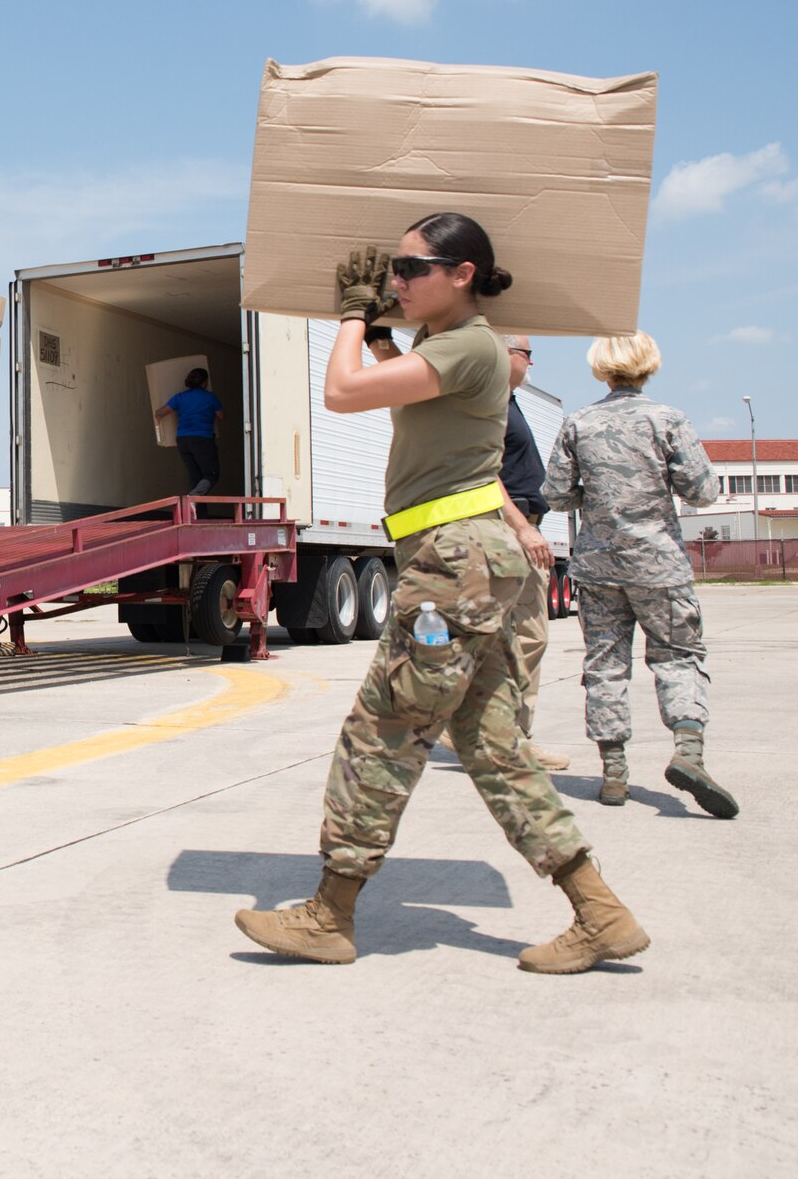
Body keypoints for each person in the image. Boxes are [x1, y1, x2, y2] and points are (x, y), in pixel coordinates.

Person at [234, 214, 646, 976]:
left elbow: (342, 390)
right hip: (463, 560)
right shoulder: (449, 348)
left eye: (408, 267)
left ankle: (331, 911)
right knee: (493, 748)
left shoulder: (471, 344)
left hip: (450, 568)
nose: (396, 280)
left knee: (381, 731)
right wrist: (385, 328)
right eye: (391, 269)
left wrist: (354, 315)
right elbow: (397, 394)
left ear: (462, 273)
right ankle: (601, 912)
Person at [541, 331, 732, 817]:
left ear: (600, 367)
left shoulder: (577, 423)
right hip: (659, 566)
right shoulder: (668, 420)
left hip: (598, 567)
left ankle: (613, 774)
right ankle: (688, 751)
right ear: (649, 366)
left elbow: (557, 494)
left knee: (605, 664)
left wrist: (597, 498)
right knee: (677, 658)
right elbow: (704, 492)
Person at [371, 331, 571, 771]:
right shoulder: (482, 398)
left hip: (502, 530)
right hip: (502, 533)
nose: (532, 364)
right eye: (527, 354)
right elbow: (479, 470)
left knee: (514, 637)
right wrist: (522, 528)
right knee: (515, 636)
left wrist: (379, 339)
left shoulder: (495, 397)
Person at [153, 368, 224, 495]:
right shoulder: (210, 397)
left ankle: (195, 513)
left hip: (183, 441)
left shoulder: (180, 397)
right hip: (203, 440)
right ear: (204, 382)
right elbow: (221, 416)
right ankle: (192, 498)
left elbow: (160, 413)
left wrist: (159, 430)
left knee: (196, 480)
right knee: (211, 474)